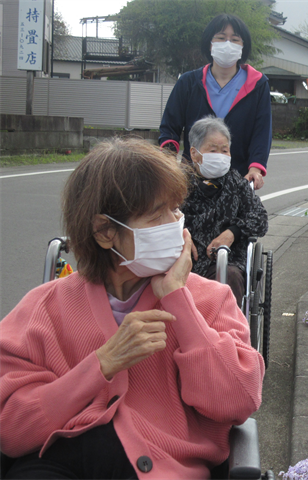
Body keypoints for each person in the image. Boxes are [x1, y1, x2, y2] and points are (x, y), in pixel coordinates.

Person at [0, 138, 264, 480]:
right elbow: (10, 428)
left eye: (176, 209)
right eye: (158, 216)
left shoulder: (210, 300)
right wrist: (101, 365)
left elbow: (239, 400)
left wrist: (177, 301)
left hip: (163, 468)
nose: (176, 224)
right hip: (56, 463)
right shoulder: (43, 308)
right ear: (105, 231)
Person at [159, 13, 272, 190]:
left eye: (235, 39)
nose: (227, 44)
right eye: (220, 38)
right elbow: (169, 128)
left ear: (243, 46)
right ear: (209, 44)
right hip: (192, 178)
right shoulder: (188, 83)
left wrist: (255, 169)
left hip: (238, 179)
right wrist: (168, 163)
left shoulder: (258, 84)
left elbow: (262, 132)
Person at [182, 116, 268, 308]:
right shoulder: (179, 183)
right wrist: (179, 234)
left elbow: (260, 218)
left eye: (225, 150)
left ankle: (230, 333)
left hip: (225, 260)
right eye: (213, 150)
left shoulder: (236, 183)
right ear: (195, 154)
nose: (220, 155)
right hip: (184, 259)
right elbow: (161, 215)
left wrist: (232, 233)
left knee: (229, 276)